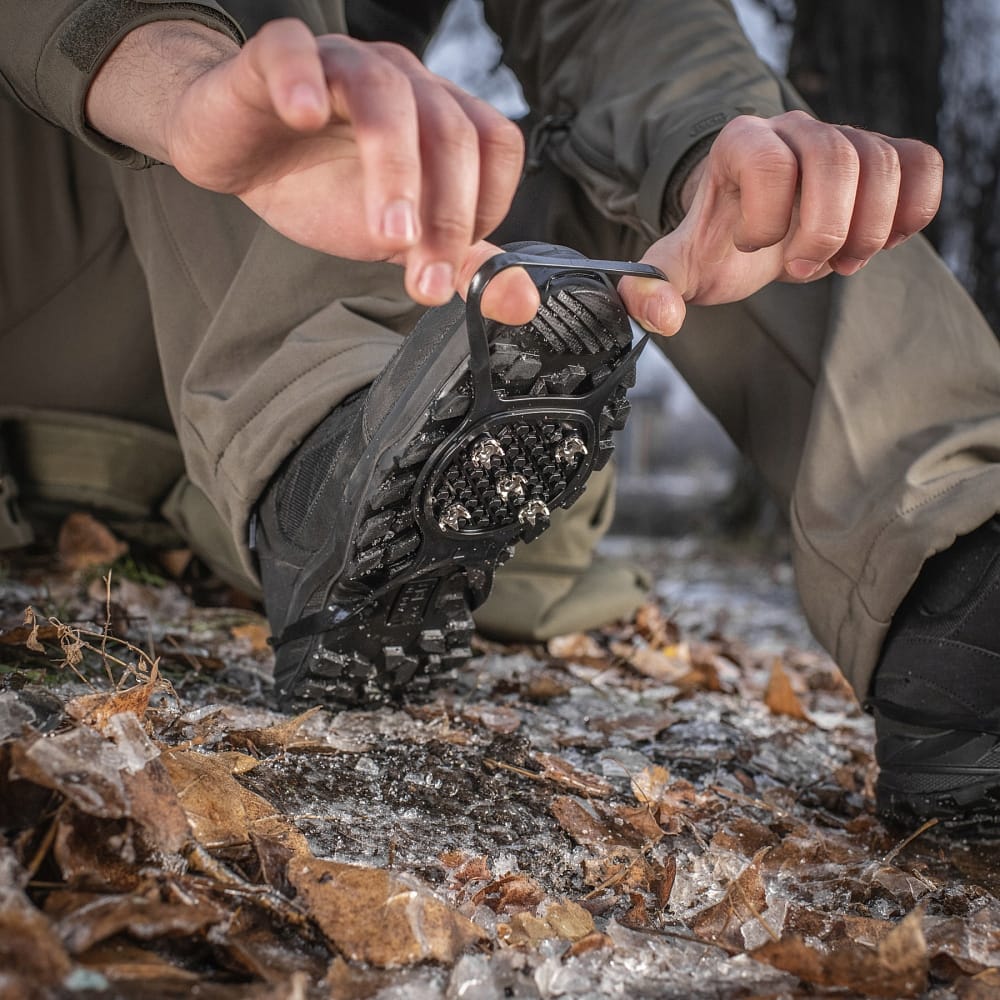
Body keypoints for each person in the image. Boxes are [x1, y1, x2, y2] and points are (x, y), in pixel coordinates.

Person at [2, 0, 999, 829]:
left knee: (756, 168)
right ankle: (326, 460)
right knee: (291, 76)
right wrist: (180, 84)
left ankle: (953, 566)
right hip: (62, 292)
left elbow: (618, 23)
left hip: (374, 315)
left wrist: (718, 151)